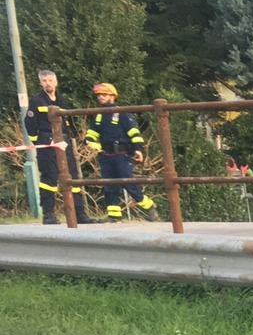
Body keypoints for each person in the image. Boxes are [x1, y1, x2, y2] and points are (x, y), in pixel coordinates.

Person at [24, 69, 93, 225]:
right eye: (44, 81)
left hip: (64, 141)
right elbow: (30, 122)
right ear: (40, 83)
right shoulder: (36, 100)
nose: (48, 83)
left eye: (50, 80)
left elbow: (69, 120)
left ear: (56, 82)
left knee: (73, 177)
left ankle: (79, 213)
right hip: (47, 142)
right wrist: (38, 141)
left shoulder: (62, 100)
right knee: (49, 178)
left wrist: (76, 136)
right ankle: (48, 214)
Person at [83, 83, 157, 221]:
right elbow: (92, 133)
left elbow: (134, 133)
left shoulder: (122, 113)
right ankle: (114, 215)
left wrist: (138, 149)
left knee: (127, 182)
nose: (100, 97)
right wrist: (90, 141)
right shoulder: (99, 115)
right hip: (106, 155)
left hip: (122, 154)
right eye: (99, 95)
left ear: (113, 96)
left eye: (104, 95)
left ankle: (148, 206)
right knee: (109, 185)